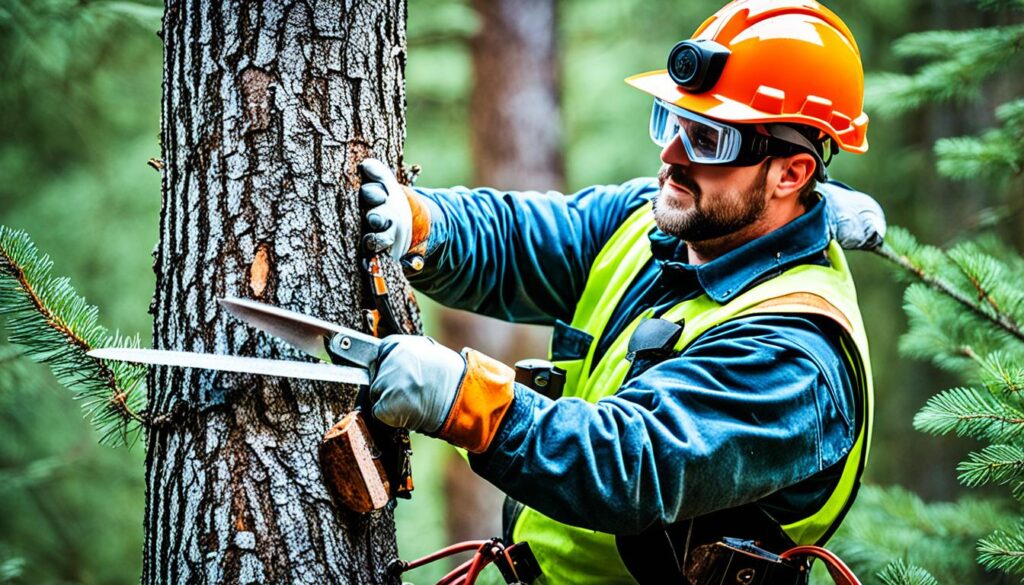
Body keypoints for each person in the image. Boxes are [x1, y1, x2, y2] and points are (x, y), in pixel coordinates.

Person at [360, 1, 883, 583]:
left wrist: (464, 402)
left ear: (792, 174)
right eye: (673, 120)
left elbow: (632, 463)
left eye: (707, 139)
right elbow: (524, 238)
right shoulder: (660, 222)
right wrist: (421, 222)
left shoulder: (793, 357)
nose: (671, 156)